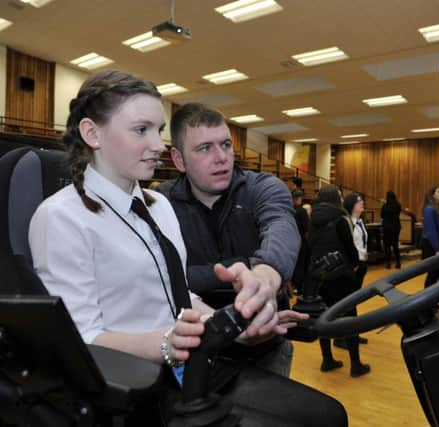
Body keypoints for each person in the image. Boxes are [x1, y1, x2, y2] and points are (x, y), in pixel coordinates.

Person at [28, 70, 347, 426]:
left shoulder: (157, 206)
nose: (159, 145)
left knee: (328, 416)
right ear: (92, 133)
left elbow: (178, 296)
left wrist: (235, 323)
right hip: (133, 391)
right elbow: (80, 339)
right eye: (141, 130)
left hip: (192, 371)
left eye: (159, 131)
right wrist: (167, 343)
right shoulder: (60, 217)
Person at [157, 103, 299, 377]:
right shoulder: (160, 203)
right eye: (204, 148)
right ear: (178, 159)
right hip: (196, 351)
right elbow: (162, 277)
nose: (221, 157)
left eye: (225, 144)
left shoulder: (263, 187)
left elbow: (281, 228)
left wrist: (265, 276)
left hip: (266, 349)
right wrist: (239, 265)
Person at [309, 184, 370, 378]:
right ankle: (355, 364)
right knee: (349, 316)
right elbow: (351, 250)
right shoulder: (340, 220)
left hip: (319, 275)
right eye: (340, 197)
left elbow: (308, 247)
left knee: (324, 316)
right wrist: (354, 266)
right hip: (341, 276)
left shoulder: (313, 219)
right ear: (335, 199)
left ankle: (327, 359)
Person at [333, 192, 370, 350]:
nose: (362, 203)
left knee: (353, 302)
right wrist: (353, 264)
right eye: (358, 201)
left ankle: (352, 334)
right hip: (353, 266)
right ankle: (343, 336)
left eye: (362, 200)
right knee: (347, 303)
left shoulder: (360, 222)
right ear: (351, 205)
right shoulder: (346, 223)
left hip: (361, 264)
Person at [422, 186, 439, 287]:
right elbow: (431, 231)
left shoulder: (437, 209)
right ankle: (427, 300)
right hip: (431, 247)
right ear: (433, 195)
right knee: (433, 274)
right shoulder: (429, 209)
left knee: (437, 273)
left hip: (436, 245)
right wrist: (437, 249)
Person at [291, 188, 310, 295]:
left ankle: (292, 285)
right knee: (301, 264)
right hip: (301, 241)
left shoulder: (288, 209)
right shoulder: (302, 211)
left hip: (290, 239)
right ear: (298, 199)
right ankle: (299, 287)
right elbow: (306, 227)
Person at [381, 190, 402, 269]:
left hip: (387, 227)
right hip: (396, 227)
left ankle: (388, 263)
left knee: (387, 245)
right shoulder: (398, 205)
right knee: (395, 245)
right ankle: (398, 262)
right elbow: (398, 213)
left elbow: (382, 216)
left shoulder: (385, 206)